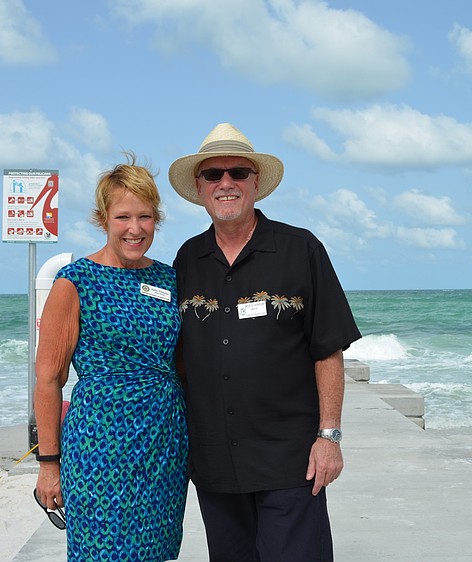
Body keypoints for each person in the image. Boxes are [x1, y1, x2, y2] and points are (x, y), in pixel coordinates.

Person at [169, 123, 361, 561]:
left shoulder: (301, 249)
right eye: (213, 175)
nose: (226, 183)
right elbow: (176, 358)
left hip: (291, 462)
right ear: (199, 187)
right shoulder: (187, 259)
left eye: (238, 172)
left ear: (255, 182)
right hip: (215, 464)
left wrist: (329, 437)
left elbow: (328, 349)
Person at [33, 153, 188, 561]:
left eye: (145, 217)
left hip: (163, 447)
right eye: (123, 217)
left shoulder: (170, 279)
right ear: (103, 219)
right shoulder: (75, 282)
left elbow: (184, 364)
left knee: (155, 552)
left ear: (156, 219)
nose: (135, 229)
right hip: (99, 446)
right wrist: (48, 464)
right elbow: (49, 378)